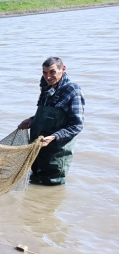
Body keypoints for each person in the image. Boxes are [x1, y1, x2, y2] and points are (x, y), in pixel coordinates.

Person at [18, 57, 85, 185]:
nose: (48, 77)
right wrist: (32, 120)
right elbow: (47, 114)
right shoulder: (46, 86)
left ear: (63, 69)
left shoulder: (73, 90)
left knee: (51, 189)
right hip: (37, 150)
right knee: (34, 185)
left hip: (55, 155)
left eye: (52, 72)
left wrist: (54, 137)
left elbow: (76, 125)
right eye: (44, 73)